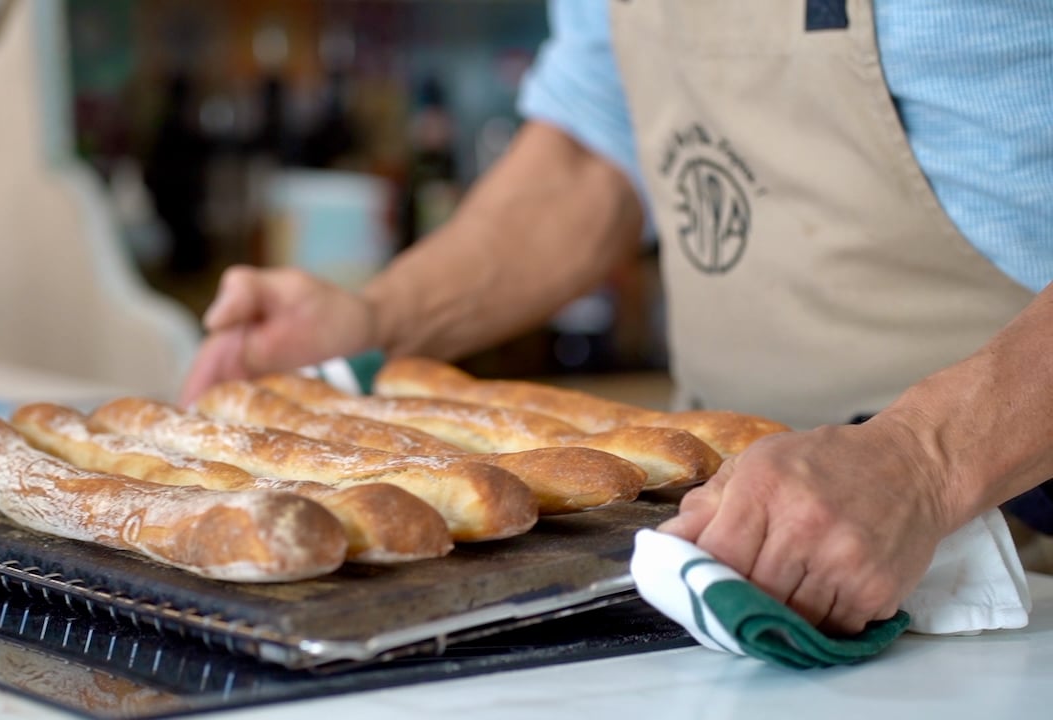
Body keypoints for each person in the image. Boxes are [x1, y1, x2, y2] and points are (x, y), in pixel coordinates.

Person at [179, 0, 1053, 635]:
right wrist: (377, 319)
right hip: (721, 536)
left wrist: (925, 460)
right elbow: (591, 147)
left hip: (1022, 542)